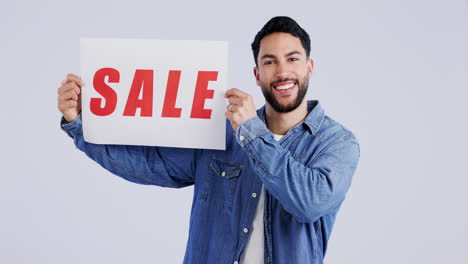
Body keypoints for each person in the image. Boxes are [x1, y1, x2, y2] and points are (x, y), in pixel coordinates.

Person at [58, 16, 360, 264]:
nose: (282, 72)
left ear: (309, 67)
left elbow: (309, 203)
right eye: (270, 62)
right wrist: (82, 122)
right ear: (256, 75)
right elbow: (151, 165)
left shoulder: (337, 144)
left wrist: (252, 133)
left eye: (292, 59)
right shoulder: (222, 132)